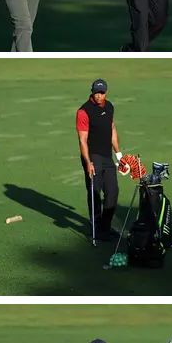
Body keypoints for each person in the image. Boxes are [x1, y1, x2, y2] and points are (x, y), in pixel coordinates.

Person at [76, 79, 123, 243]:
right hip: (93, 156)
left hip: (107, 156)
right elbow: (82, 140)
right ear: (92, 92)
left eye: (102, 93)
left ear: (106, 93)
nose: (99, 96)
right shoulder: (84, 111)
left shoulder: (109, 107)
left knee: (112, 192)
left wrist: (119, 155)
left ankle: (105, 226)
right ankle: (96, 229)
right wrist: (88, 162)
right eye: (97, 92)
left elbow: (112, 129)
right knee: (95, 193)